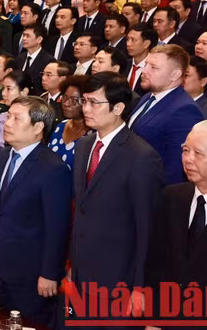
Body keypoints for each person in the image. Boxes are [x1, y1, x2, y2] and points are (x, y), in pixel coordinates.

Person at [70, 72, 165, 323]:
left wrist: (140, 287)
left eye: (94, 103)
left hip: (118, 282)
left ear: (118, 107)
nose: (86, 109)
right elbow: (81, 211)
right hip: (82, 277)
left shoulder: (141, 156)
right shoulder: (83, 146)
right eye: (85, 101)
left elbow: (148, 228)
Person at [0, 97, 71, 327]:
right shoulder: (1, 156)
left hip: (30, 274)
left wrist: (50, 273)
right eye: (9, 116)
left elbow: (57, 227)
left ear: (38, 128)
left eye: (16, 118)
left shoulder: (53, 168)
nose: (7, 123)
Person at [145, 120, 207, 325]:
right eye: (185, 150)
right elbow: (157, 266)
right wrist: (155, 320)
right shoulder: (172, 198)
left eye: (198, 154)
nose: (188, 159)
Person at [131, 45, 204, 184]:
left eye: (154, 67)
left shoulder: (185, 110)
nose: (144, 70)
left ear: (175, 75)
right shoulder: (147, 97)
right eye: (146, 64)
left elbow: (176, 169)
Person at [47, 75, 93, 170]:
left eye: (74, 100)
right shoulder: (61, 126)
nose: (66, 103)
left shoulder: (93, 133)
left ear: (87, 102)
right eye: (65, 97)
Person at [0, 70, 32, 149]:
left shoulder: (31, 120)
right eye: (3, 88)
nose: (3, 93)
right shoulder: (2, 116)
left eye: (8, 89)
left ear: (24, 92)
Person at [15, 23, 54, 96]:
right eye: (24, 35)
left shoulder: (48, 61)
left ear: (39, 39)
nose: (24, 38)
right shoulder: (20, 58)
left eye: (28, 36)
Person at [125, 23, 157, 96]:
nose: (128, 44)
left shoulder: (153, 69)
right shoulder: (124, 64)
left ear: (146, 44)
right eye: (127, 39)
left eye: (133, 40)